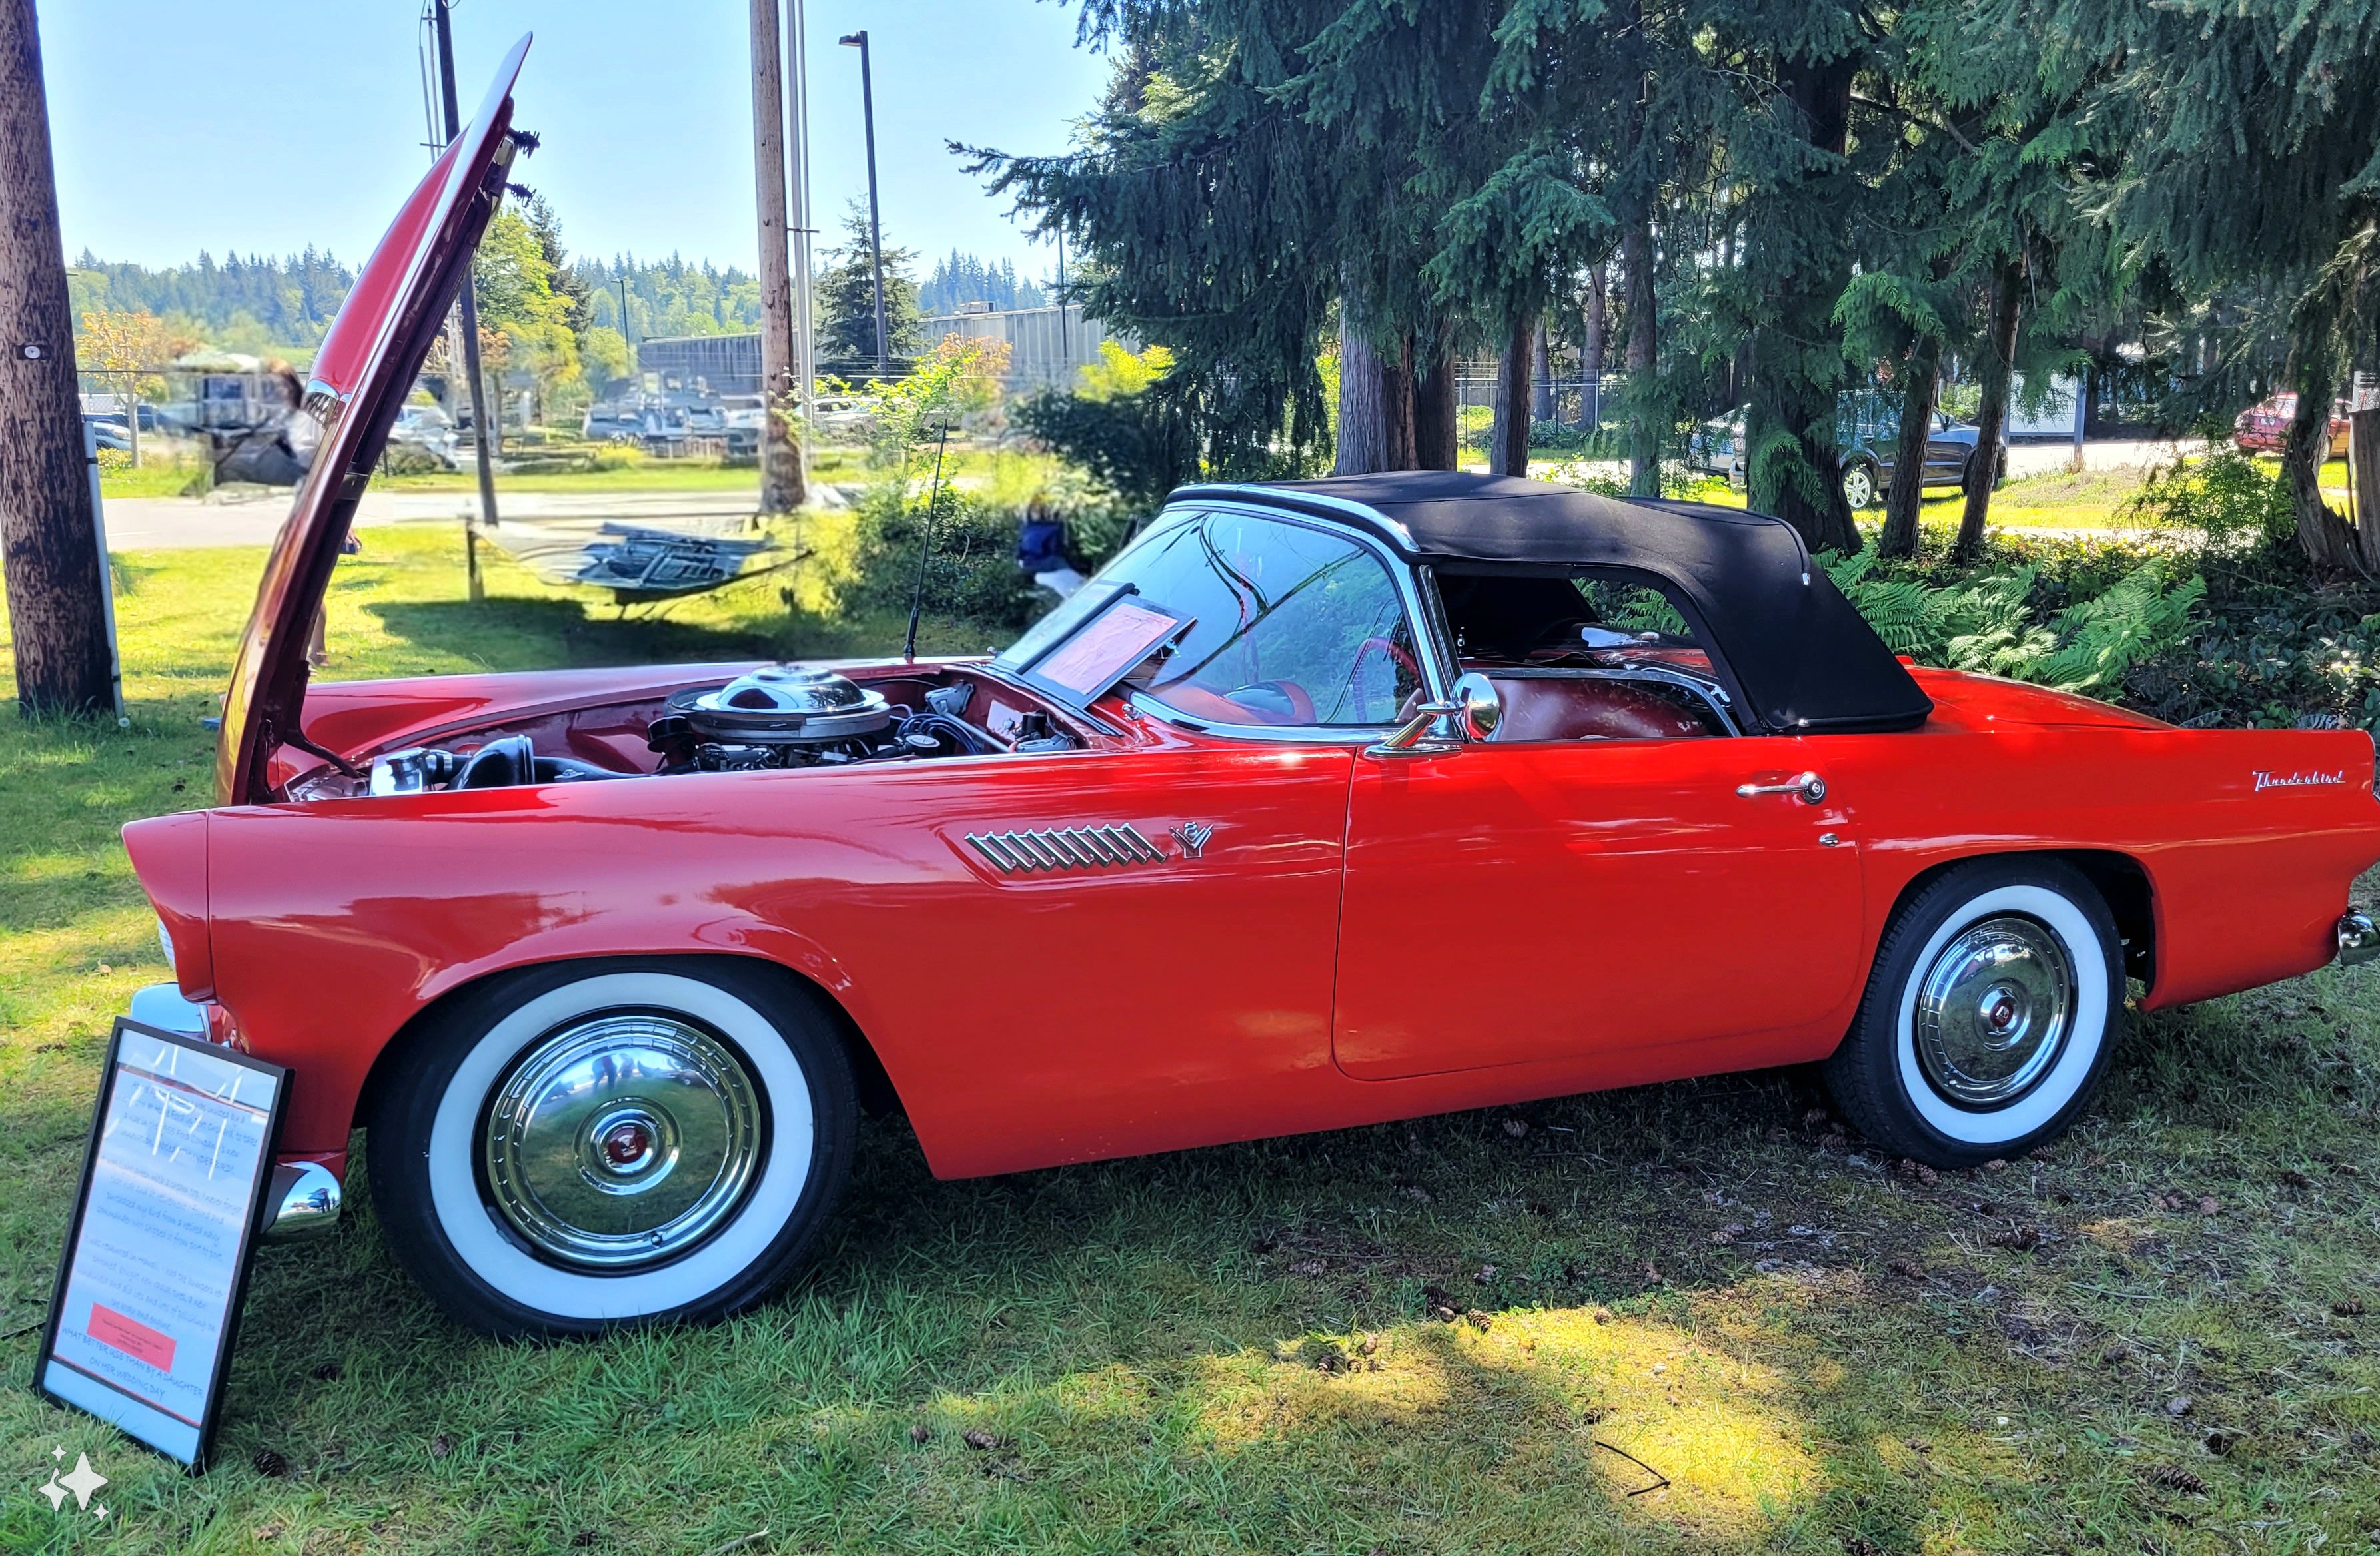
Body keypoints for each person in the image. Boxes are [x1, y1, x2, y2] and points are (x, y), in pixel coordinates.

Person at [1015, 494, 1084, 600]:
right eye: (1036, 510)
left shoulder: (1031, 529)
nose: (1041, 512)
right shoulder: (1042, 529)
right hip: (1053, 567)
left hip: (1045, 568)